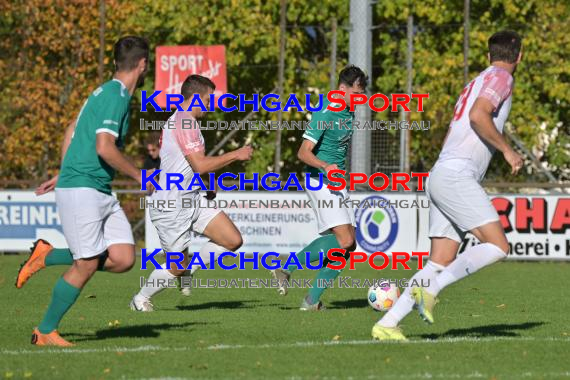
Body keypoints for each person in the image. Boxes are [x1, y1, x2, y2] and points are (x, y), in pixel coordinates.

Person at [372, 30, 524, 341]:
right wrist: (508, 150)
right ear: (519, 57)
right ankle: (431, 291)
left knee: (439, 261)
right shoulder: (501, 77)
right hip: (456, 175)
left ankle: (387, 323)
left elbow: (460, 124)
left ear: (487, 54)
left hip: (441, 173)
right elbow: (478, 115)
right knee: (498, 245)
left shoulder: (477, 80)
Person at [15, 36, 151, 346]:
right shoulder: (115, 96)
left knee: (123, 258)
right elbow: (104, 147)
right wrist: (140, 176)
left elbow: (72, 129)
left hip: (97, 188)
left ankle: (47, 255)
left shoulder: (102, 91)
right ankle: (45, 330)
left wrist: (62, 171)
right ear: (142, 65)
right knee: (86, 264)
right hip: (83, 189)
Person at [130, 74, 253, 311]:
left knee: (232, 240)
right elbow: (199, 164)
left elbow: (191, 165)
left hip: (192, 198)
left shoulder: (187, 121)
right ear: (196, 97)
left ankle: (190, 269)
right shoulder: (184, 122)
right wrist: (235, 154)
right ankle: (140, 299)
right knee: (175, 266)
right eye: (208, 99)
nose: (211, 104)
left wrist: (206, 182)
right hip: (172, 204)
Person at [271, 65, 368, 310]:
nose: (361, 98)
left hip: (336, 181)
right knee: (345, 240)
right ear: (342, 89)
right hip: (320, 180)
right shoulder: (326, 111)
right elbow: (303, 152)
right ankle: (286, 265)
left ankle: (311, 301)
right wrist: (326, 166)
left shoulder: (349, 111)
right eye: (357, 92)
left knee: (348, 246)